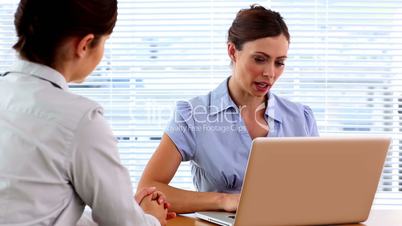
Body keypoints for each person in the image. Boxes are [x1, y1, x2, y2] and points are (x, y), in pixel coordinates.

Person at [0, 0, 174, 225]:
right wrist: (151, 218)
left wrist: (126, 209)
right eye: (105, 43)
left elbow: (40, 208)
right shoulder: (80, 120)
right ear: (85, 44)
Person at [138, 5, 319, 214]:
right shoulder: (194, 115)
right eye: (259, 59)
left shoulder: (301, 118)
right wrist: (223, 200)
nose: (270, 73)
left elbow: (317, 191)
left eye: (279, 63)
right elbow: (147, 189)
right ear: (233, 51)